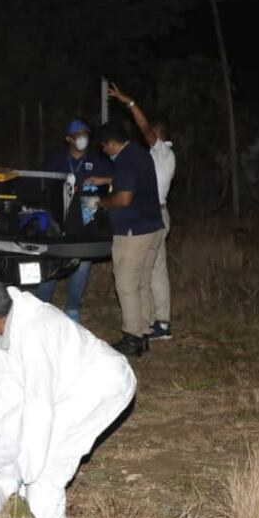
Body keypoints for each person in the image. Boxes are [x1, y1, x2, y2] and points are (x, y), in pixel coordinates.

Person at [0, 275, 136, 518]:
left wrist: (28, 469)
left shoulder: (33, 334)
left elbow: (38, 406)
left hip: (101, 386)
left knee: (47, 468)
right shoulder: (3, 322)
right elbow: (6, 391)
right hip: (66, 384)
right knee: (15, 443)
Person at [108, 84, 176, 340]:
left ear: (158, 134)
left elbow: (145, 130)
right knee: (152, 271)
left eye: (149, 133)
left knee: (150, 273)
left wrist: (130, 103)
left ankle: (155, 324)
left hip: (153, 215)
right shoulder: (153, 158)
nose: (143, 135)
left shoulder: (162, 152)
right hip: (155, 215)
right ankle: (152, 322)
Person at [96, 120, 164, 357]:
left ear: (112, 144)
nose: (104, 152)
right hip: (152, 228)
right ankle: (143, 333)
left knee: (126, 284)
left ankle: (132, 337)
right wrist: (105, 181)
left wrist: (100, 203)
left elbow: (123, 199)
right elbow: (131, 182)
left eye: (104, 147)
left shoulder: (124, 161)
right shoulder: (139, 153)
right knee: (141, 282)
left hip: (133, 232)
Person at [35, 119, 113, 322]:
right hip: (58, 220)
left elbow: (119, 178)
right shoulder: (56, 160)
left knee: (83, 265)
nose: (82, 137)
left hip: (87, 222)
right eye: (77, 134)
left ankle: (72, 309)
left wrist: (102, 181)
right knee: (52, 263)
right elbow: (39, 183)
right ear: (68, 138)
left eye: (85, 133)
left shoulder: (98, 161)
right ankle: (40, 307)